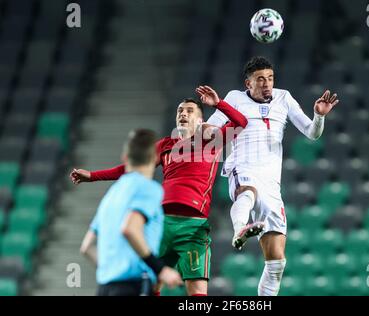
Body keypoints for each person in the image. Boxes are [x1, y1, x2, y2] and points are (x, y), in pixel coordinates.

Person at [72, 86, 248, 296]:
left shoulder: (212, 140)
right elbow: (130, 168)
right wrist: (92, 176)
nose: (183, 113)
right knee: (152, 284)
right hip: (161, 223)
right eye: (180, 111)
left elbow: (241, 122)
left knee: (198, 290)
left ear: (201, 121)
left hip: (193, 227)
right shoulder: (165, 145)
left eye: (190, 111)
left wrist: (218, 103)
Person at [206, 56, 339, 296]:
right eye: (260, 79)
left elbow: (312, 133)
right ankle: (239, 230)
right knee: (247, 193)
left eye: (270, 78)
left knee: (277, 262)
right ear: (248, 84)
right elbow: (210, 130)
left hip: (271, 181)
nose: (267, 84)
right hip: (242, 166)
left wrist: (319, 116)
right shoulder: (234, 98)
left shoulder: (284, 97)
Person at [79, 128, 182, 296]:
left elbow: (87, 247)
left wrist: (113, 272)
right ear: (155, 158)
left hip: (105, 287)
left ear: (125, 158)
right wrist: (161, 269)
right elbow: (130, 229)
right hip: (133, 286)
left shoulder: (112, 193)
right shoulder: (149, 188)